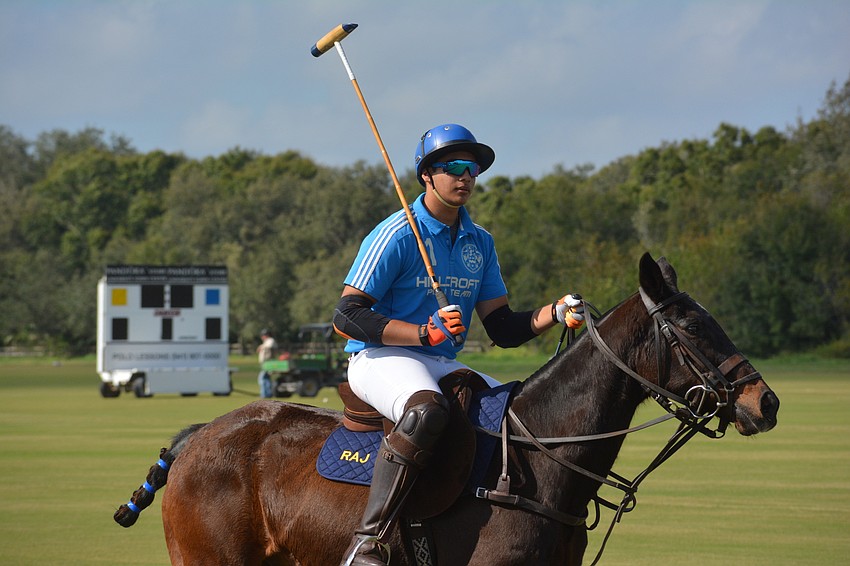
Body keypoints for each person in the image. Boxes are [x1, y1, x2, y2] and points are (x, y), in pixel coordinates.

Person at [333, 123, 585, 566]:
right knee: (426, 410)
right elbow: (346, 316)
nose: (464, 177)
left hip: (436, 360)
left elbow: (503, 328)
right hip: (379, 357)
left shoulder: (480, 242)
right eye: (452, 168)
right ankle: (369, 541)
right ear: (427, 175)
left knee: (514, 413)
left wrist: (553, 311)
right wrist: (421, 333)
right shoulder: (398, 233)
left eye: (471, 169)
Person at [256, 329, 277, 398]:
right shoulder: (266, 342)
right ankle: (267, 393)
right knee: (266, 378)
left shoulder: (270, 340)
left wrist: (261, 347)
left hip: (268, 363)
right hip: (265, 363)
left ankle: (265, 394)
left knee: (262, 378)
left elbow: (269, 346)